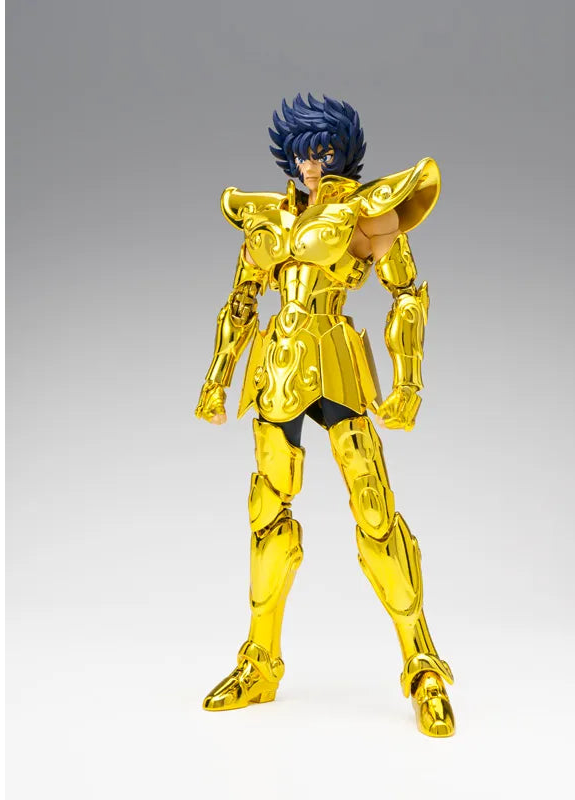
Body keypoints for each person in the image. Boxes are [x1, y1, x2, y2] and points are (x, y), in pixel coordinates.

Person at [194, 94, 455, 736]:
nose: (312, 167)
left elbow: (406, 297)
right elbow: (241, 302)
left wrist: (408, 385)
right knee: (267, 512)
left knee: (374, 508)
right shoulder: (267, 217)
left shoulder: (366, 211)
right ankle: (260, 662)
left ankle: (422, 665)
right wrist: (216, 381)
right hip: (278, 365)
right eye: (303, 155)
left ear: (344, 154)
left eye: (324, 153)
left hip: (335, 357)